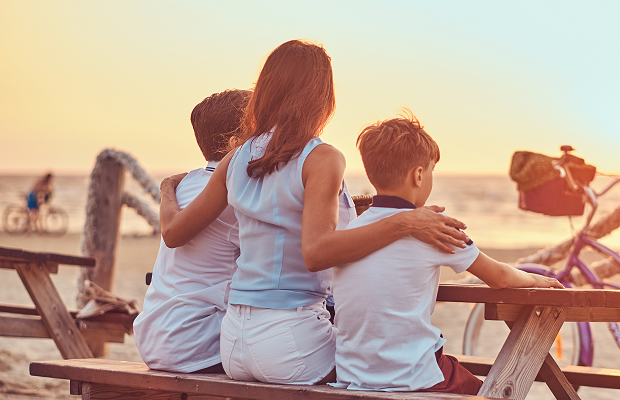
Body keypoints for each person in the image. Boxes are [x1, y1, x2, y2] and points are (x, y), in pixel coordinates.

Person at [159, 40, 471, 385]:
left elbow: (173, 234)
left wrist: (166, 190)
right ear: (322, 97)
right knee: (396, 370)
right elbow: (317, 252)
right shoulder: (322, 158)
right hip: (288, 339)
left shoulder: (237, 158)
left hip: (232, 342)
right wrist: (404, 220)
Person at [330, 113, 563, 394]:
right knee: (490, 391)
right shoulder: (435, 230)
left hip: (353, 378)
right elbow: (499, 276)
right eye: (431, 171)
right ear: (418, 175)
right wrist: (536, 280)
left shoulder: (353, 234)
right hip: (414, 377)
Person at [133, 89, 251, 373]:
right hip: (195, 340)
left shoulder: (186, 182)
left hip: (153, 336)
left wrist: (165, 188)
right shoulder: (237, 192)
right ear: (236, 142)